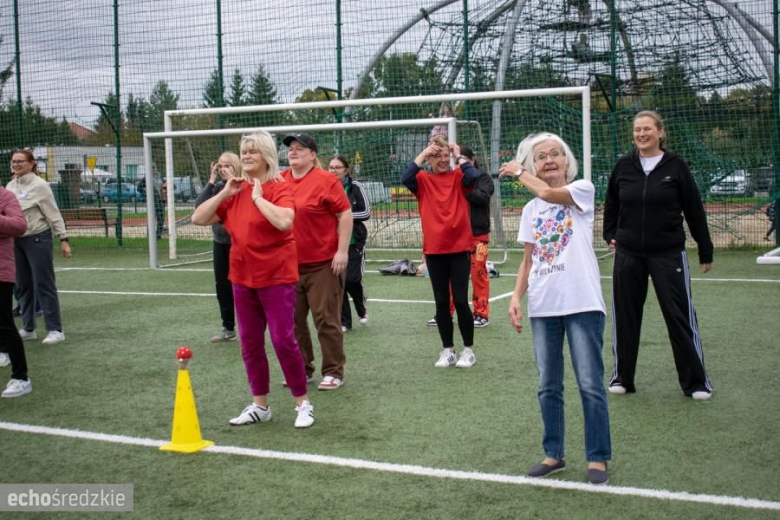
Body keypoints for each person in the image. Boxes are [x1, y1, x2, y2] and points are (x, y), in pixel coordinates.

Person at [500, 132, 611, 485]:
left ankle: (597, 458)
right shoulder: (531, 210)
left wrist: (517, 172)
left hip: (581, 302)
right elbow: (528, 259)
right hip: (544, 306)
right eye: (541, 157)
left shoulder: (582, 190)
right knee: (548, 384)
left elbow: (548, 192)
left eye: (554, 155)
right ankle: (554, 454)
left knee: (590, 383)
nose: (549, 160)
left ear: (566, 161)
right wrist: (517, 296)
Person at [191, 130, 314, 429]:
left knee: (283, 340)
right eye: (244, 151)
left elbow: (285, 221)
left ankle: (303, 403)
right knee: (249, 341)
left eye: (253, 151)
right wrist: (225, 193)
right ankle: (260, 405)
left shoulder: (278, 187)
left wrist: (258, 199)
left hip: (276, 277)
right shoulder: (233, 190)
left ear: (266, 157)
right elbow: (198, 218)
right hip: (242, 278)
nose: (246, 156)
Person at [603, 110, 714, 400]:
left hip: (668, 253)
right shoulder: (623, 166)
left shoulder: (675, 166)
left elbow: (693, 209)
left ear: (660, 133)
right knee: (625, 316)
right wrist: (610, 232)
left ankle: (696, 382)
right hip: (628, 253)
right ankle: (623, 377)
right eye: (637, 129)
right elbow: (612, 202)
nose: (641, 134)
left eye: (647, 129)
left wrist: (705, 249)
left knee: (679, 316)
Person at [281, 134, 352, 391]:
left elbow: (345, 214)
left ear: (313, 155)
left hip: (323, 264)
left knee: (326, 319)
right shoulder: (280, 180)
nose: (293, 152)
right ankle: (301, 368)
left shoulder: (326, 181)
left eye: (300, 149)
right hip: (288, 265)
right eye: (290, 149)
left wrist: (342, 251)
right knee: (292, 321)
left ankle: (334, 371)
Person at [402, 135, 479, 368]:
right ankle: (448, 350)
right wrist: (425, 153)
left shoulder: (458, 177)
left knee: (461, 301)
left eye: (446, 156)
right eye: (438, 156)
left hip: (459, 249)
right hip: (435, 251)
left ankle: (468, 350)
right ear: (430, 159)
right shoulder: (423, 179)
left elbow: (474, 175)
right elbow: (406, 176)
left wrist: (458, 155)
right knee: (441, 302)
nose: (443, 160)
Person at [6, 149, 71, 345]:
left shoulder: (40, 186)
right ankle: (28, 328)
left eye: (20, 161)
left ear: (31, 163)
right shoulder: (10, 186)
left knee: (44, 283)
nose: (16, 164)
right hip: (15, 241)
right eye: (13, 161)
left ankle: (55, 329)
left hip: (37, 239)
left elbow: (53, 212)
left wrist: (63, 238)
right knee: (22, 285)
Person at [426, 146, 494, 329]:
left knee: (478, 272)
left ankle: (481, 313)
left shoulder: (481, 177)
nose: (458, 164)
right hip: (455, 238)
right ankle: (445, 312)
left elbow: (483, 198)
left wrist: (462, 190)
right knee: (447, 277)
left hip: (478, 235)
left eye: (462, 160)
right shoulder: (451, 178)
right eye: (455, 161)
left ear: (472, 160)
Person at [195, 153, 240, 343]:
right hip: (220, 244)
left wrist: (232, 180)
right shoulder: (220, 188)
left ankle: (255, 327)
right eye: (220, 166)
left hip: (240, 245)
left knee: (245, 288)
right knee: (222, 286)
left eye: (227, 165)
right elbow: (199, 208)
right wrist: (212, 181)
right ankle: (228, 327)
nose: (223, 169)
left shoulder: (242, 185)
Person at [327, 154, 371, 332]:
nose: (333, 170)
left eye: (337, 167)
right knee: (339, 283)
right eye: (331, 167)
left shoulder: (355, 187)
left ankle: (361, 309)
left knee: (352, 280)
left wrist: (344, 215)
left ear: (346, 169)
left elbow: (366, 212)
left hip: (354, 242)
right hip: (332, 243)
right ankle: (345, 321)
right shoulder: (325, 187)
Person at [0, 184, 32, 397]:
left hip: (1, 272)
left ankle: (21, 377)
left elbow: (20, 226)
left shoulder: (5, 196)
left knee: (3, 324)